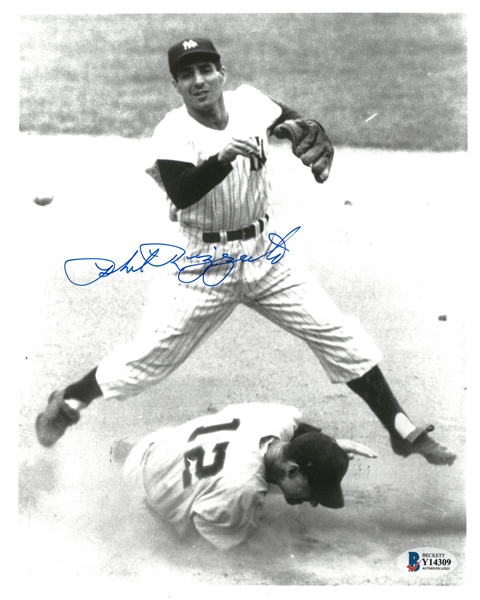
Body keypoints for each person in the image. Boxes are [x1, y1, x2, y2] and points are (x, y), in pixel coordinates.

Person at [35, 37, 456, 467]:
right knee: (150, 357)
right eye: (187, 75)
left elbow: (289, 119)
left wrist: (297, 126)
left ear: (222, 74)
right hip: (203, 263)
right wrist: (223, 156)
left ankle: (402, 429)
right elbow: (182, 194)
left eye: (206, 71)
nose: (199, 81)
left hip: (265, 254)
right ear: (176, 85)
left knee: (337, 331)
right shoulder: (172, 132)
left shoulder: (249, 102)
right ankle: (70, 400)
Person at [120, 403, 377, 550]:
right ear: (292, 470)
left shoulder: (276, 418)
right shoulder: (244, 488)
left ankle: (122, 451)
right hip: (143, 492)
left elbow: (297, 429)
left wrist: (327, 446)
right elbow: (209, 549)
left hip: (158, 442)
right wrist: (281, 546)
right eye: (314, 492)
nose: (313, 502)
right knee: (178, 536)